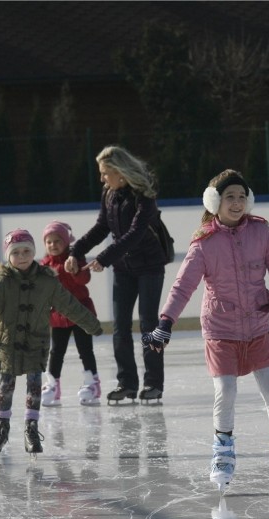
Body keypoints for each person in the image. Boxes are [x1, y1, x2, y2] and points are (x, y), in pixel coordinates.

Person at [141, 169, 269, 493]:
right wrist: (165, 322)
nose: (236, 203)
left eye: (241, 196)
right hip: (221, 330)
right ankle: (223, 451)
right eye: (229, 197)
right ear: (214, 202)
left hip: (257, 326)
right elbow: (183, 287)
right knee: (227, 393)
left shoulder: (261, 232)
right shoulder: (204, 244)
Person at [0, 229, 103, 457]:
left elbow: (70, 305)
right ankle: (2, 427)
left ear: (34, 252)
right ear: (9, 256)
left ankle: (31, 428)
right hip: (6, 345)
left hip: (35, 343)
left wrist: (91, 324)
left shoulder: (47, 282)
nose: (23, 256)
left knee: (34, 388)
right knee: (5, 389)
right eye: (16, 252)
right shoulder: (1, 283)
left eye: (27, 251)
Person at [65, 145, 170, 404]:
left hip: (149, 266)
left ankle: (153, 384)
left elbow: (134, 234)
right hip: (123, 268)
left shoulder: (145, 196)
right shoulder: (109, 193)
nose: (102, 178)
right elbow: (102, 227)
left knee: (148, 324)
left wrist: (103, 258)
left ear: (120, 172)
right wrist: (75, 251)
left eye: (105, 173)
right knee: (120, 327)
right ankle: (127, 383)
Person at [39, 220, 102, 407]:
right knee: (56, 352)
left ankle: (92, 384)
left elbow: (84, 279)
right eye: (49, 242)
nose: (53, 245)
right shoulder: (44, 265)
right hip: (58, 317)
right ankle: (52, 386)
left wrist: (74, 271)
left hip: (80, 313)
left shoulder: (75, 258)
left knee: (85, 350)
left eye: (57, 241)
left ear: (66, 242)